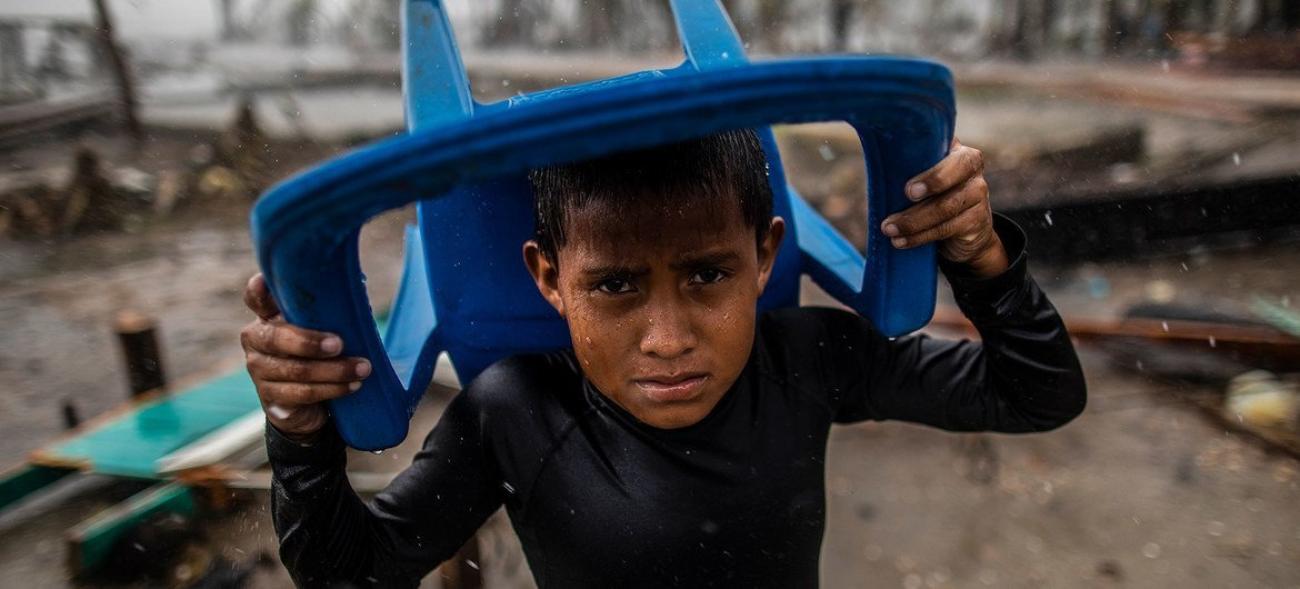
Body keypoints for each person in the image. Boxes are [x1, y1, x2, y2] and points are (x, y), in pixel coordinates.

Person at [240, 129, 1086, 588]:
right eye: (614, 285)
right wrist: (299, 428)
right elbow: (346, 569)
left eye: (708, 273)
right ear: (550, 278)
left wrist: (983, 264)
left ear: (765, 253)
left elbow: (1034, 394)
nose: (668, 337)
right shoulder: (516, 409)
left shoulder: (808, 355)